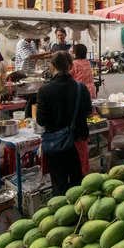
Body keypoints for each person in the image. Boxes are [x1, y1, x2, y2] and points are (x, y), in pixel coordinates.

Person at [37, 52, 93, 195]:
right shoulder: (81, 88)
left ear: (51, 66)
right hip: (77, 141)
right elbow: (89, 113)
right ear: (71, 66)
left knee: (59, 183)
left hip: (55, 144)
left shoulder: (44, 89)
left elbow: (41, 120)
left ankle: (61, 211)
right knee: (78, 182)